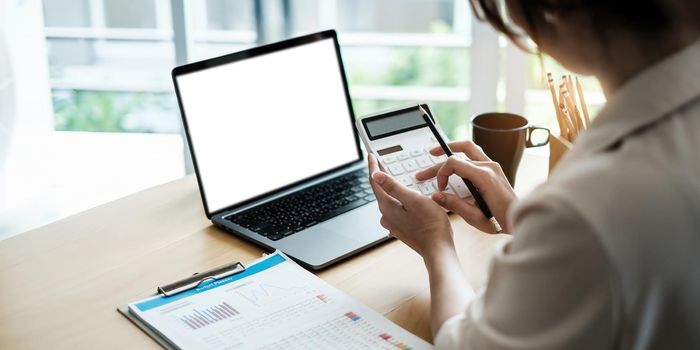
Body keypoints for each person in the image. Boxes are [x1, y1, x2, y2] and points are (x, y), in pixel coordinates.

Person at [368, 0, 700, 349]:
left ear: (561, 10)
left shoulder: (595, 200)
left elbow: (467, 344)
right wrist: (520, 217)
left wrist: (434, 243)